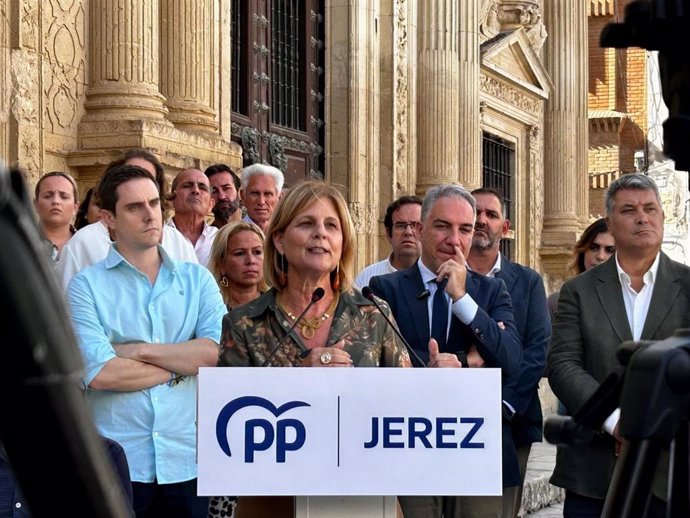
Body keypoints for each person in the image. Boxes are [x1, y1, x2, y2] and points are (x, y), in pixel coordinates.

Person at [66, 164, 226, 517]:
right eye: (134, 207)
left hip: (186, 458)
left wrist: (135, 351)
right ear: (108, 218)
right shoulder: (86, 286)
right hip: (117, 462)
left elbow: (214, 354)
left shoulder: (197, 280)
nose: (150, 214)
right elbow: (100, 373)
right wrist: (180, 367)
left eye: (154, 203)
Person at [368, 183, 523, 518]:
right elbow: (378, 362)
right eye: (443, 226)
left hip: (477, 447)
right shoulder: (385, 288)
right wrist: (468, 363)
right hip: (411, 448)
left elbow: (511, 360)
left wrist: (462, 299)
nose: (455, 240)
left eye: (465, 229)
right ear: (422, 229)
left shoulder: (492, 292)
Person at [548, 173, 690, 518]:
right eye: (630, 210)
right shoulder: (578, 291)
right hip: (592, 475)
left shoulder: (687, 285)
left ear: (662, 217)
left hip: (673, 475)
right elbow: (563, 365)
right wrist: (614, 420)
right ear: (610, 221)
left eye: (650, 209)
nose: (643, 217)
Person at [220, 180, 410, 369]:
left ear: (343, 244)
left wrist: (434, 378)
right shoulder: (242, 324)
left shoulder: (374, 315)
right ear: (279, 241)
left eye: (331, 225)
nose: (321, 233)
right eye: (306, 223)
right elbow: (230, 397)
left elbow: (404, 393)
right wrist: (299, 376)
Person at [466, 187, 550, 518]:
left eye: (491, 214)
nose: (482, 221)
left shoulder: (527, 281)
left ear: (506, 225)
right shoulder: (444, 280)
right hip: (450, 417)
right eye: (475, 214)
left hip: (512, 419)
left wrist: (504, 404)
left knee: (501, 510)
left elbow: (536, 350)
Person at [56, 150, 198, 291]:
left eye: (148, 179)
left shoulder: (178, 243)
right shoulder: (83, 243)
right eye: (129, 175)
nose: (139, 184)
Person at [547, 218, 615, 317]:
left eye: (610, 250)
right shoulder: (557, 303)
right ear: (583, 251)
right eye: (593, 248)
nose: (600, 256)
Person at [354, 195, 423, 288]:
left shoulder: (439, 279)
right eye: (401, 225)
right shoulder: (367, 278)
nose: (408, 232)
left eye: (415, 225)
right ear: (389, 233)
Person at [208, 220, 267, 310]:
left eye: (257, 252)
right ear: (221, 263)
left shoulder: (278, 306)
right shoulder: (210, 308)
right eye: (239, 253)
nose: (251, 260)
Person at [167, 168, 218, 266]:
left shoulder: (219, 240)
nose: (196, 191)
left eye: (202, 188)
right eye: (187, 186)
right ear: (171, 199)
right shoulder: (159, 236)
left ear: (210, 205)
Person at [34, 171, 79, 262]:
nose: (56, 201)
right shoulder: (19, 243)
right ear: (36, 204)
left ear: (75, 207)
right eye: (48, 196)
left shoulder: (86, 244)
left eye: (64, 197)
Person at [239, 164, 284, 233]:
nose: (261, 202)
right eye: (255, 193)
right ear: (243, 197)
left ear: (279, 198)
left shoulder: (288, 235)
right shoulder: (231, 235)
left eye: (268, 194)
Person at [204, 164, 241, 228]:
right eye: (214, 191)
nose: (221, 196)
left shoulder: (256, 233)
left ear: (239, 193)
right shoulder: (206, 237)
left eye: (226, 188)